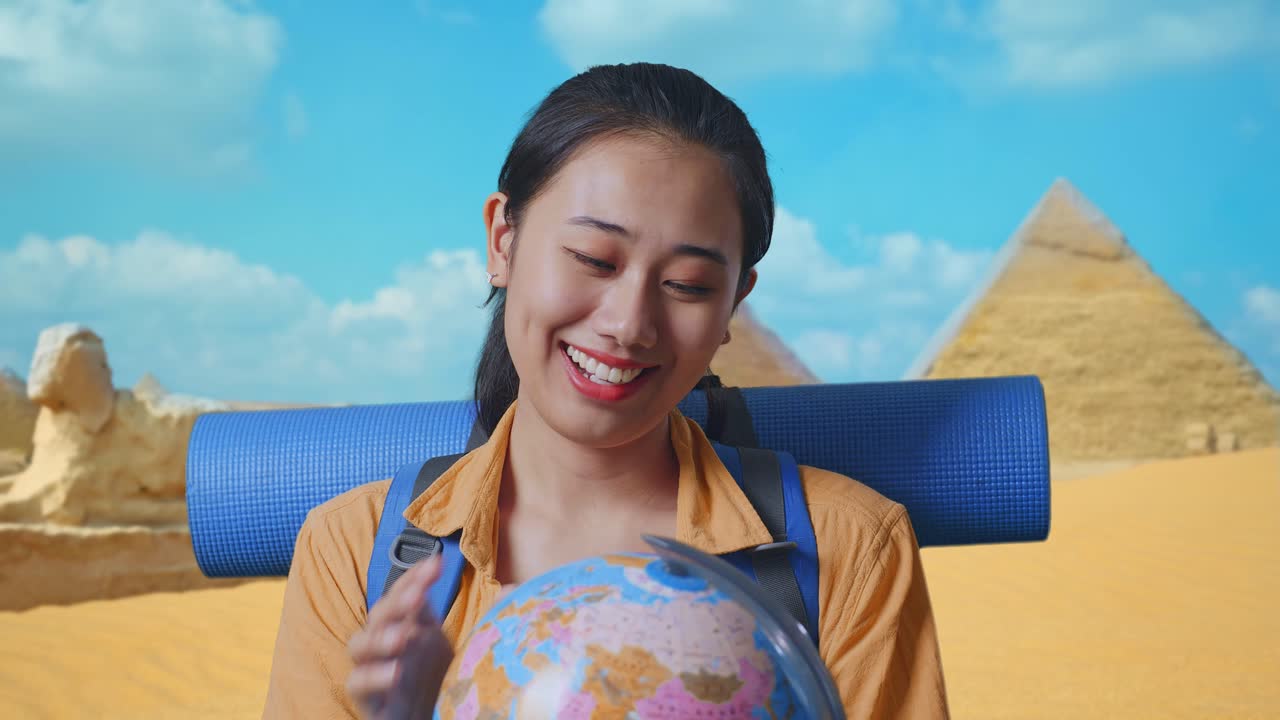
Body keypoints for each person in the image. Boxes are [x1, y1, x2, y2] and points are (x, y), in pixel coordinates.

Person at [262, 62, 950, 719]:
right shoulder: (353, 552)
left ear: (734, 304)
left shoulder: (850, 550)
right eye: (595, 260)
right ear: (503, 241)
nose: (628, 325)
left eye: (688, 285)